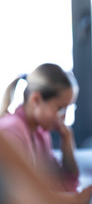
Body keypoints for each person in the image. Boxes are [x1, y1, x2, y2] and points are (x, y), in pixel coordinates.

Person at [0, 63, 81, 192]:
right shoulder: (11, 131)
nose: (63, 118)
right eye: (60, 108)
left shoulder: (40, 133)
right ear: (36, 100)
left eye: (68, 109)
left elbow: (67, 184)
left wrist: (67, 140)